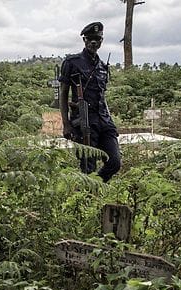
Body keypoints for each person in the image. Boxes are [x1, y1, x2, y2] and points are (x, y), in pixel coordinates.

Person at [59, 21, 122, 183]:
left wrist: (111, 122)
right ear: (84, 40)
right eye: (90, 39)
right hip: (84, 122)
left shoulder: (102, 67)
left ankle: (95, 185)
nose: (94, 42)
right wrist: (66, 124)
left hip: (104, 121)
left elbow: (102, 96)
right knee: (88, 166)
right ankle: (88, 197)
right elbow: (63, 94)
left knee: (114, 162)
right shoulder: (72, 63)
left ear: (102, 41)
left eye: (97, 39)